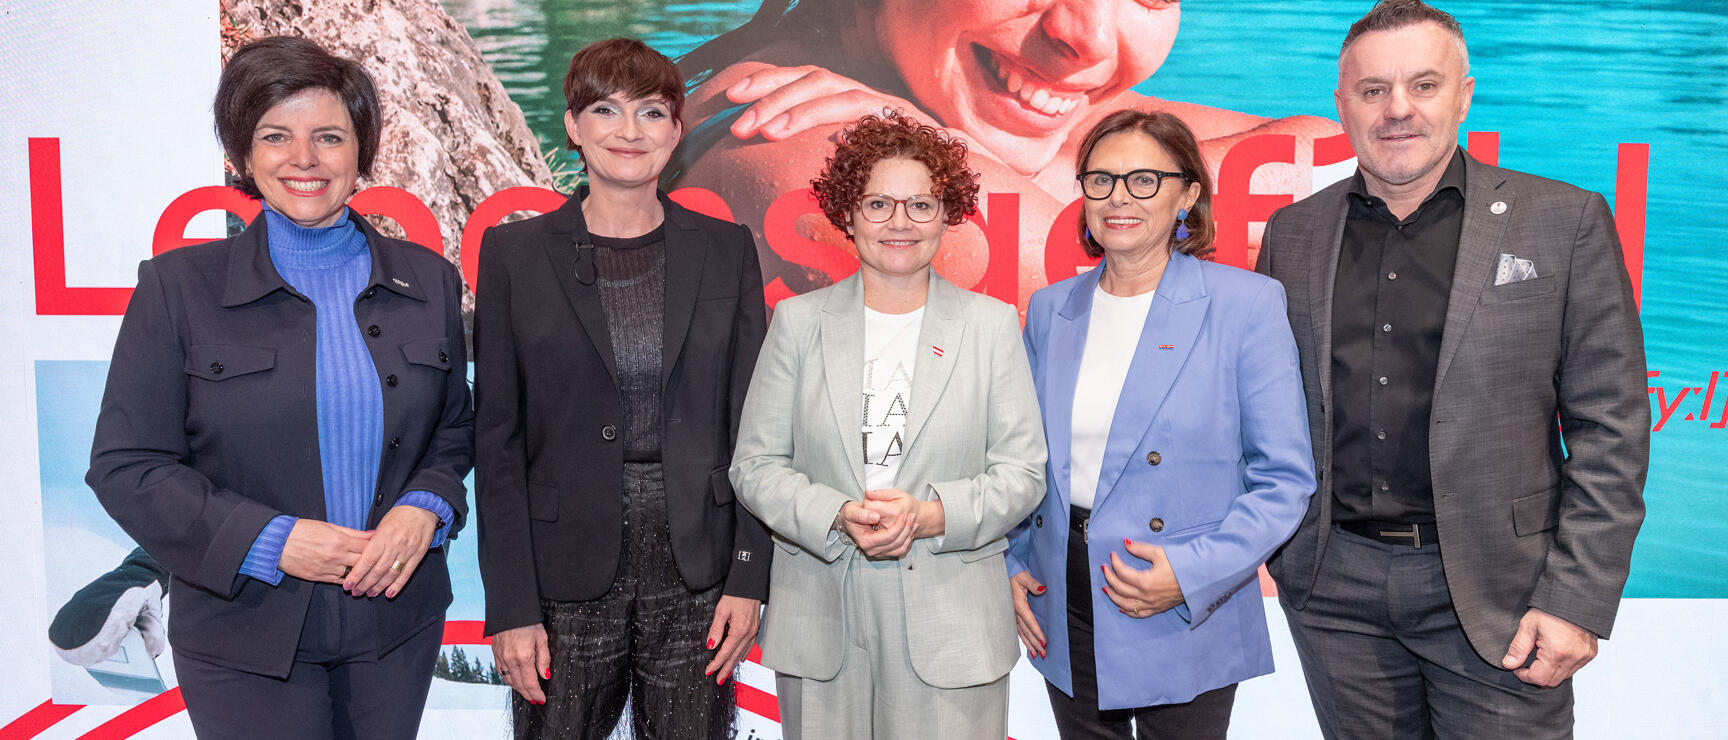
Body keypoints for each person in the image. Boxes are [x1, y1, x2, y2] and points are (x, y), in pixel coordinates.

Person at [1255, 2, 1650, 736]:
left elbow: (1612, 427)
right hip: (1335, 591)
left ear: (1464, 93)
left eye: (1423, 85)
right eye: (1373, 90)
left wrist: (1576, 599)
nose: (1397, 110)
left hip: (1503, 591)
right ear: (1342, 104)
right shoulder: (1293, 233)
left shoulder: (1563, 222)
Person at [86, 36, 473, 739]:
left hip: (396, 625)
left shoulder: (430, 281)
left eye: (329, 136)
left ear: (361, 153)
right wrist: (270, 540)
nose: (305, 159)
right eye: (276, 136)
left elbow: (452, 431)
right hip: (244, 633)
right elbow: (126, 467)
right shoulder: (178, 289)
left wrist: (427, 507)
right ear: (241, 155)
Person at [473, 37, 771, 740]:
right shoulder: (515, 255)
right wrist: (511, 605)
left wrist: (750, 576)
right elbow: (498, 441)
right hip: (559, 579)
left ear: (676, 129)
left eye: (651, 112)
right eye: (605, 109)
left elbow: (755, 429)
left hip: (697, 574)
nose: (629, 131)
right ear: (574, 127)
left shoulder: (726, 252)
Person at [669, 0, 1341, 300]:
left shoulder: (952, 103)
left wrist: (948, 146)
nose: (1093, 38)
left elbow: (1348, 164)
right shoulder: (799, 147)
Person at [729, 112, 1046, 739]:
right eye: (879, 203)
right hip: (822, 618)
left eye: (920, 204)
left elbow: (1023, 474)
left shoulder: (990, 325)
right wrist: (835, 512)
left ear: (946, 214)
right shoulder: (797, 324)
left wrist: (929, 515)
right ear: (846, 214)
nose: (899, 223)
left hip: (952, 623)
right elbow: (755, 466)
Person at [1009, 109, 1315, 738]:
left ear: (1188, 195)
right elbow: (1020, 460)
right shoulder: (1048, 310)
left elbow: (1284, 479)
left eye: (1144, 180)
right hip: (1063, 597)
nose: (1119, 197)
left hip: (1180, 593)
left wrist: (1192, 574)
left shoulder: (1245, 304)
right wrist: (1010, 563)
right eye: (1101, 180)